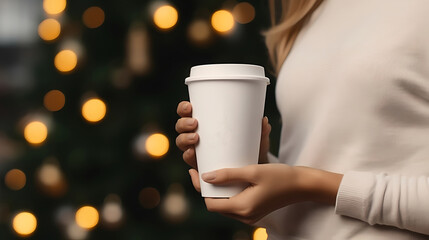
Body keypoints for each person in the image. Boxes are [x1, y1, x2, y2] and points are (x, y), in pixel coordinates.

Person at [175, 0, 429, 239]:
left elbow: (309, 181)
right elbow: (314, 173)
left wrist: (306, 182)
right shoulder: (309, 9)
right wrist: (254, 167)